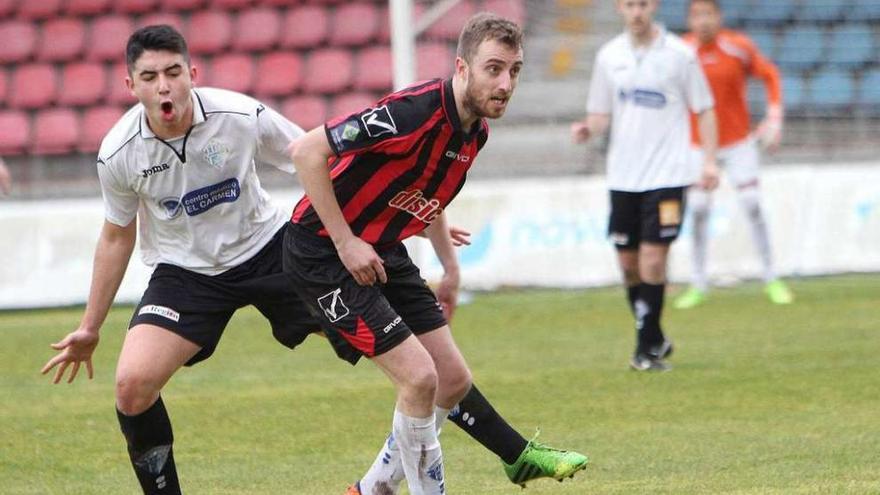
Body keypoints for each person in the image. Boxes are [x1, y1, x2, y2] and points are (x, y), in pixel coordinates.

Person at [40, 22, 585, 495]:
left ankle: (507, 451)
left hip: (271, 251)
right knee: (131, 386)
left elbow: (314, 156)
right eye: (152, 76)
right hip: (187, 276)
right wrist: (90, 326)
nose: (166, 85)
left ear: (192, 73)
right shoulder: (118, 153)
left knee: (424, 366)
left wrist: (408, 214)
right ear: (130, 84)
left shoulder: (238, 116)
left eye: (174, 72)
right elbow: (117, 237)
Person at [285, 13, 587, 495]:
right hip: (322, 252)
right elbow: (305, 151)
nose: (506, 83)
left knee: (450, 380)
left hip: (383, 248)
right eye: (494, 68)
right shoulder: (411, 112)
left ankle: (369, 491)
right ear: (462, 67)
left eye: (515, 70)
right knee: (420, 378)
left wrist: (450, 268)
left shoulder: (475, 133)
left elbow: (428, 198)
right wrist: (345, 241)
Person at [571, 0, 720, 371]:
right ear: (620, 9)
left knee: (654, 257)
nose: (636, 11)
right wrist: (589, 128)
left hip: (668, 176)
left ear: (652, 6)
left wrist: (710, 161)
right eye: (629, 5)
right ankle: (655, 336)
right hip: (623, 176)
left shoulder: (680, 55)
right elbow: (601, 113)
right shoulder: (609, 56)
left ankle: (644, 349)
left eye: (642, 4)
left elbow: (704, 108)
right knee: (628, 264)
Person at [674, 0, 794, 309]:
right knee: (698, 210)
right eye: (696, 15)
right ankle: (698, 283)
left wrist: (774, 117)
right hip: (698, 146)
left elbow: (770, 74)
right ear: (689, 20)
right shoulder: (680, 52)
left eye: (708, 15)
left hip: (739, 142)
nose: (703, 21)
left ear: (719, 17)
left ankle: (771, 277)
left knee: (752, 204)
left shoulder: (737, 47)